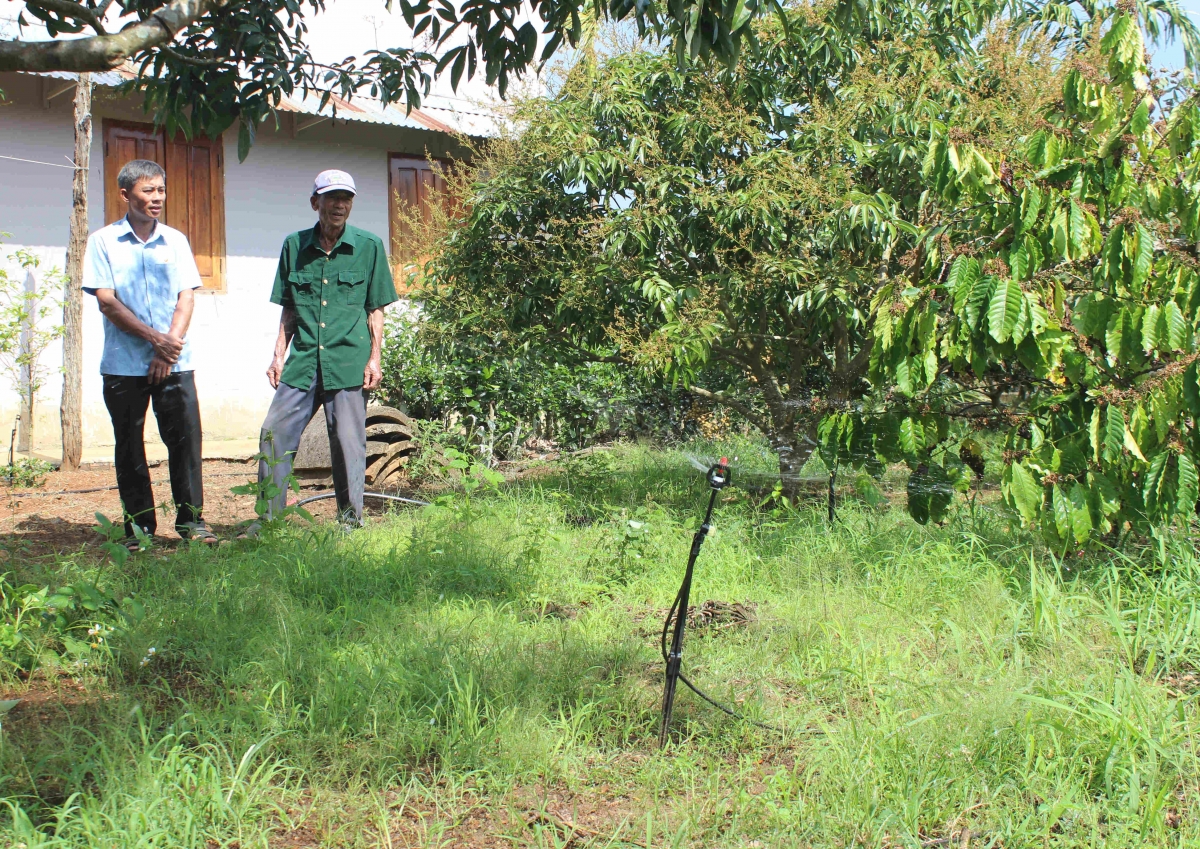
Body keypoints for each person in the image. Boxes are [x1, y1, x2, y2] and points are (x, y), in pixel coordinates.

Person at [246, 169, 398, 534]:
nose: (339, 205)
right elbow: (289, 307)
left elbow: (376, 308)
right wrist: (277, 355)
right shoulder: (294, 246)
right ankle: (268, 523)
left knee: (348, 444)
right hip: (302, 362)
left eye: (346, 198)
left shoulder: (369, 246)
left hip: (348, 361)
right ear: (316, 203)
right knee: (273, 435)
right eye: (332, 198)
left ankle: (350, 524)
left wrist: (375, 358)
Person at [82, 159, 218, 548]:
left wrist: (168, 346)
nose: (156, 198)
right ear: (125, 194)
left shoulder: (175, 240)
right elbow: (107, 301)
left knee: (186, 442)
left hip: (175, 362)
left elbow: (186, 295)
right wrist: (155, 340)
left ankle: (193, 524)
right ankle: (139, 530)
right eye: (148, 191)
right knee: (129, 445)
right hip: (124, 366)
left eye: (160, 190)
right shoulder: (102, 241)